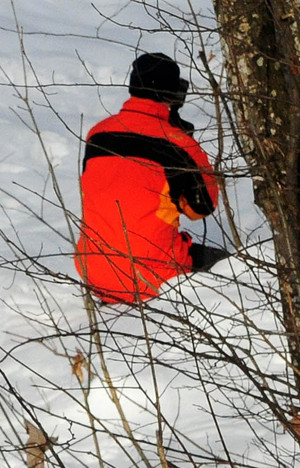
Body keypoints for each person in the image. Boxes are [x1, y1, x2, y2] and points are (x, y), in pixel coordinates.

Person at [74, 52, 224, 305]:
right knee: (232, 268)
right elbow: (202, 207)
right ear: (174, 94)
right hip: (155, 277)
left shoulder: (97, 135)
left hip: (94, 273)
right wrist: (188, 148)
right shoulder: (179, 144)